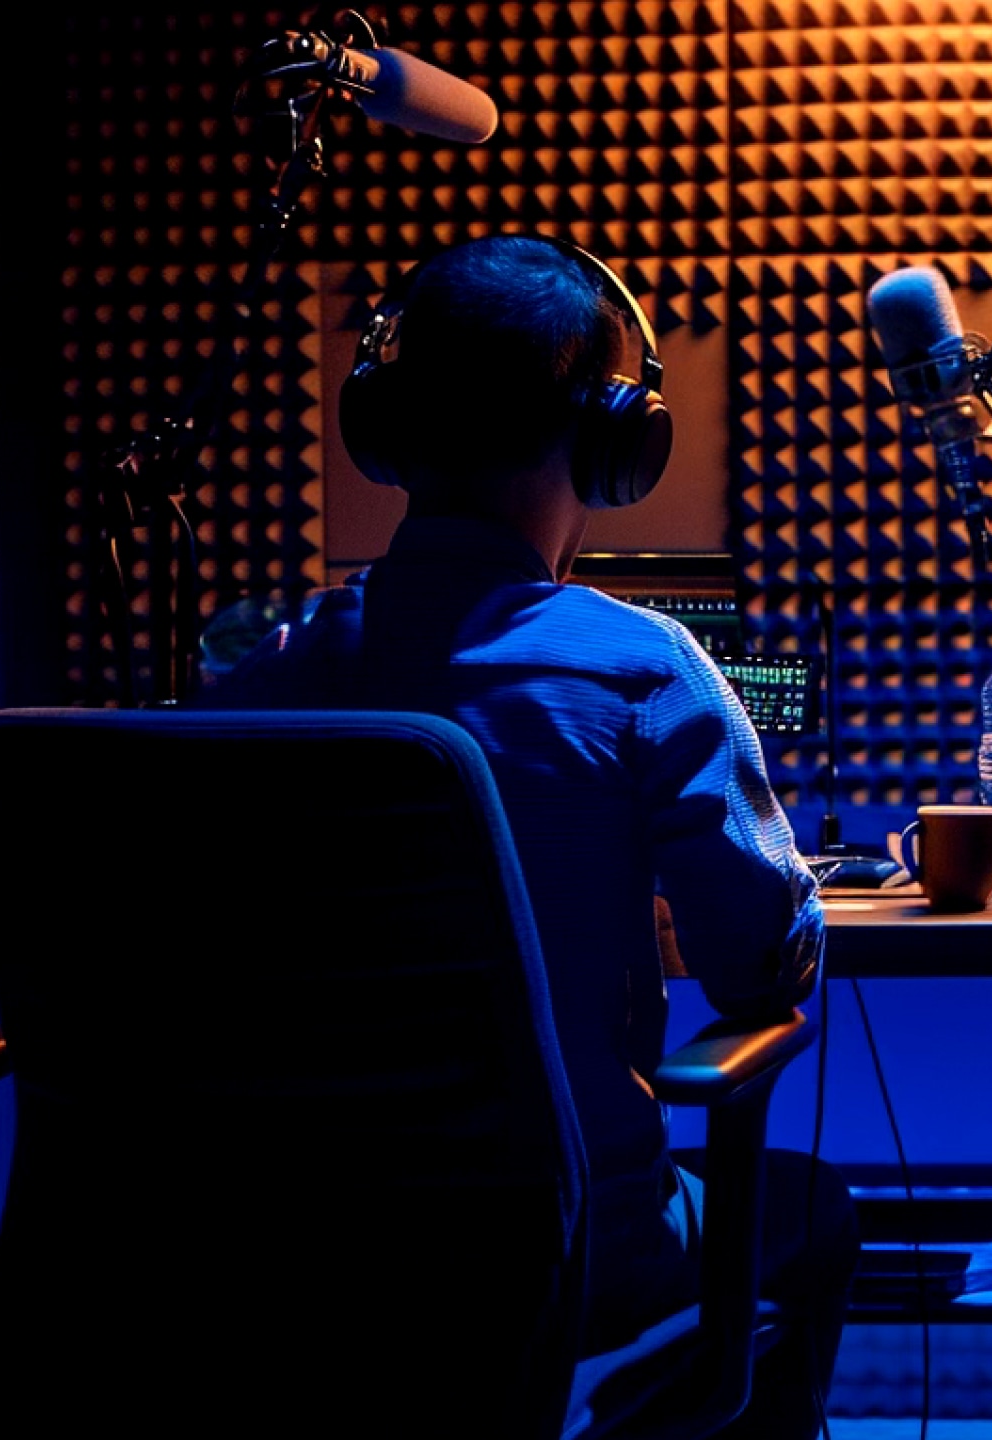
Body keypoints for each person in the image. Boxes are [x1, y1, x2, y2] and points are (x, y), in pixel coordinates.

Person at [199, 232, 856, 1435]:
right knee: (812, 1208)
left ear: (384, 428)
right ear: (617, 440)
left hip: (293, 1260)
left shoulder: (267, 674)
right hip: (571, 1246)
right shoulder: (642, 668)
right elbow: (762, 969)